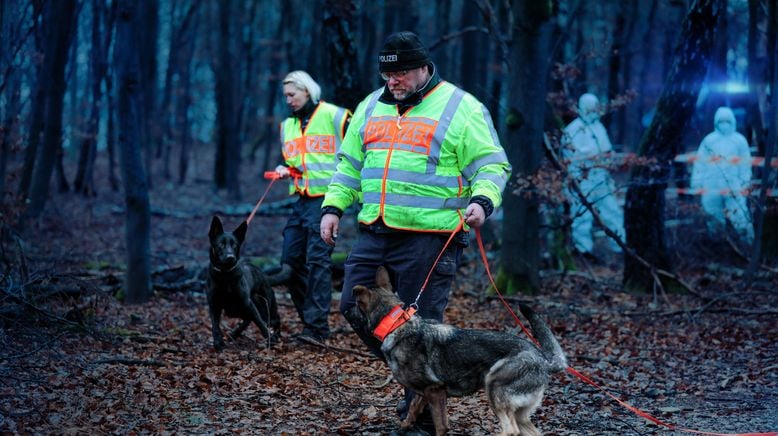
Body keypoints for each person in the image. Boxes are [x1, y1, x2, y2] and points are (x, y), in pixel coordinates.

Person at [319, 30, 511, 431]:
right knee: (353, 306)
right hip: (376, 230)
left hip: (431, 237)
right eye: (388, 74)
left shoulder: (461, 107)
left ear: (424, 67)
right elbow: (349, 165)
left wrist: (482, 201)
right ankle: (417, 378)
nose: (394, 81)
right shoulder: (371, 105)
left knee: (421, 324)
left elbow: (493, 165)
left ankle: (421, 417)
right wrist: (333, 206)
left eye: (403, 73)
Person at [274, 70, 351, 342]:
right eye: (285, 96)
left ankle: (316, 330)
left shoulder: (336, 116)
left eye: (292, 94)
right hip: (302, 200)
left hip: (329, 199)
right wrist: (286, 169)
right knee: (290, 261)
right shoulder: (287, 126)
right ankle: (310, 321)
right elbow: (300, 161)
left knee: (319, 261)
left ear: (308, 91)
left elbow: (356, 152)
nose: (288, 100)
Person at [562, 93, 625, 256]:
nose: (593, 112)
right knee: (582, 217)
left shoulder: (599, 127)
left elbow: (606, 149)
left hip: (601, 179)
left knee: (612, 212)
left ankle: (620, 247)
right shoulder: (573, 129)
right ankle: (583, 250)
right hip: (582, 180)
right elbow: (571, 157)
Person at [690, 106, 754, 243]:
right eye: (721, 120)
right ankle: (718, 246)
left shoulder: (739, 140)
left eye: (727, 120)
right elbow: (700, 163)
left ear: (733, 121)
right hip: (711, 185)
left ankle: (747, 244)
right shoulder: (709, 140)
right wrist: (697, 182)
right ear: (715, 122)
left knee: (740, 215)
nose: (724, 123)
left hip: (733, 185)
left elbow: (745, 164)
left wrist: (745, 182)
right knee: (713, 216)